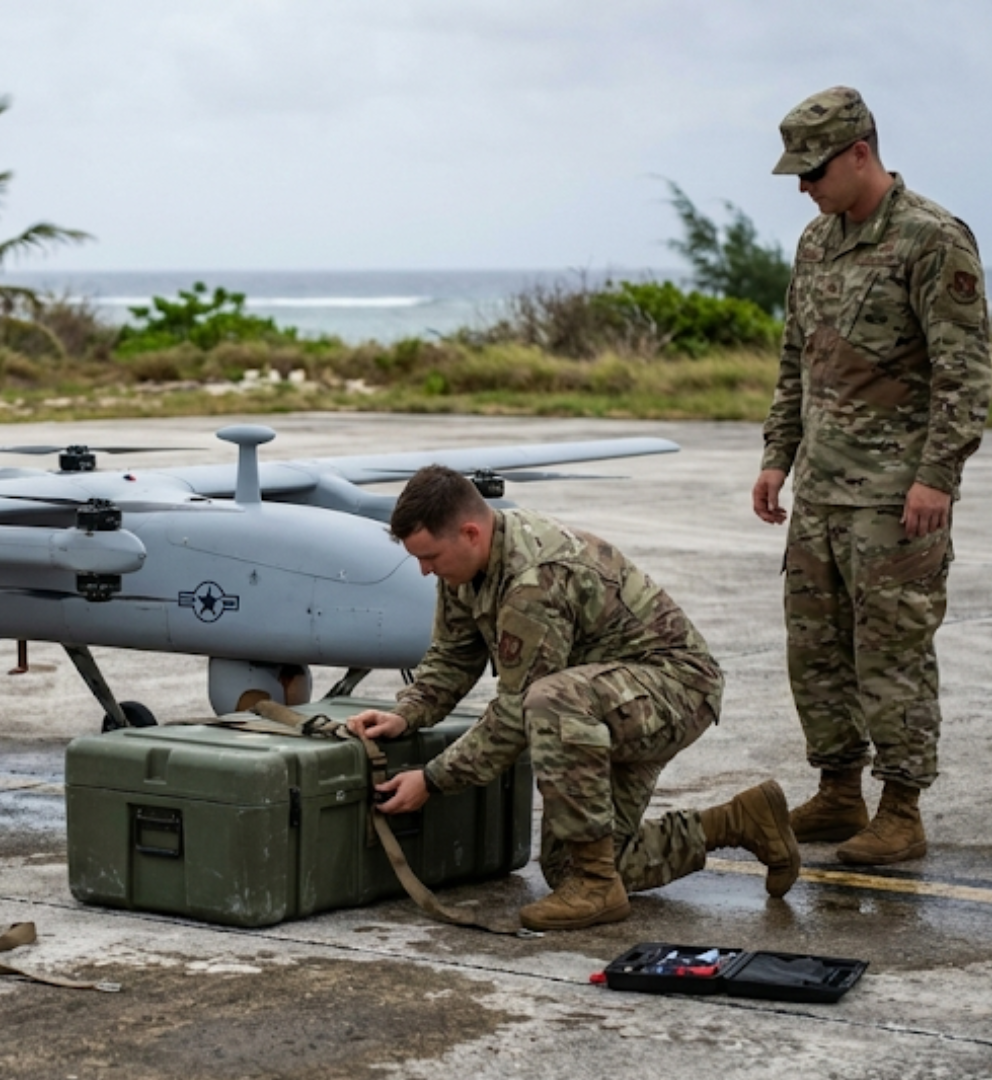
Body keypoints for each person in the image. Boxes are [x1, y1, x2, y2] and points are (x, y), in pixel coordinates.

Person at [350, 466, 800, 932]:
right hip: (605, 704)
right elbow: (453, 655)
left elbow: (516, 711)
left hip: (675, 690)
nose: (425, 570)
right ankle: (739, 821)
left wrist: (433, 780)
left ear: (470, 532)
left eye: (430, 557)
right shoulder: (468, 567)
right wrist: (407, 714)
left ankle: (597, 887)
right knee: (569, 867)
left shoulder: (533, 579)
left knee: (547, 701)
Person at [755, 87, 991, 865]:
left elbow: (966, 374)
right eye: (796, 173)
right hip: (821, 493)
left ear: (861, 153)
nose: (804, 186)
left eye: (814, 170)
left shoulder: (933, 239)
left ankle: (901, 809)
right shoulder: (816, 242)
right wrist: (777, 455)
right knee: (815, 652)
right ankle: (838, 790)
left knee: (891, 654)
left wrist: (937, 476)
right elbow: (797, 360)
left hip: (895, 499)